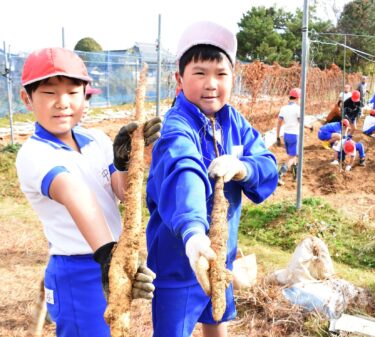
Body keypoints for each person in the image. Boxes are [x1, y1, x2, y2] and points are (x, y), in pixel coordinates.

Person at [15, 47, 162, 337]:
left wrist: (123, 161)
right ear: (27, 98)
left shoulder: (95, 139)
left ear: (86, 96)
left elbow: (119, 192)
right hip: (78, 271)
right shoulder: (33, 154)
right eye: (49, 93)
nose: (62, 103)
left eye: (72, 92)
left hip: (111, 260)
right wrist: (110, 256)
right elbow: (74, 193)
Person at [145, 21, 278, 337]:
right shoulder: (176, 128)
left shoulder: (235, 122)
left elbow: (268, 165)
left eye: (221, 74)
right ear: (180, 79)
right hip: (181, 260)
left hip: (221, 257)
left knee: (218, 323)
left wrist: (244, 167)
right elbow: (184, 172)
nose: (211, 84)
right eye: (200, 73)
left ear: (233, 78)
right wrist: (193, 234)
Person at [276, 87, 313, 186]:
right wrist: (309, 126)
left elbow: (279, 122)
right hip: (295, 135)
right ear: (298, 98)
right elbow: (301, 122)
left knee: (293, 155)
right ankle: (279, 175)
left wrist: (277, 137)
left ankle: (295, 175)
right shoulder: (298, 109)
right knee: (292, 157)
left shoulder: (284, 108)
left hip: (286, 134)